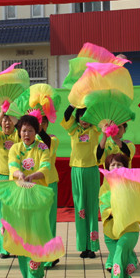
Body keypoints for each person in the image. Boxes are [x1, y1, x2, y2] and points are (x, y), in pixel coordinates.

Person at [8, 114, 52, 278]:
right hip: (20, 196)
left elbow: (46, 167)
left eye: (31, 131)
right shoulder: (15, 148)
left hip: (37, 196)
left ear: (36, 132)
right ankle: (27, 275)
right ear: (19, 131)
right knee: (22, 235)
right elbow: (12, 166)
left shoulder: (42, 147)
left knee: (35, 234)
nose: (26, 134)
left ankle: (34, 275)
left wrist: (33, 176)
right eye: (24, 130)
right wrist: (19, 174)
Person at [60, 105, 101, 259]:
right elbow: (66, 114)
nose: (84, 119)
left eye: (87, 116)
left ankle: (92, 246)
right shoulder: (73, 129)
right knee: (80, 208)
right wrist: (74, 103)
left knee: (92, 208)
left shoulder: (95, 130)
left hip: (92, 170)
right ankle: (83, 246)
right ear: (77, 118)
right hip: (77, 170)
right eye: (81, 116)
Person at [99, 153, 140, 278]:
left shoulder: (131, 184)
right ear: (108, 168)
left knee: (119, 255)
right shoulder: (104, 187)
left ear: (125, 167)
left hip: (128, 229)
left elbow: (134, 203)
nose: (116, 167)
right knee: (120, 258)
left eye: (119, 165)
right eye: (113, 165)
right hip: (110, 233)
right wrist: (111, 211)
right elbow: (103, 205)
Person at [0, 109, 20, 258]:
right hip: (0, 176)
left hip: (15, 177)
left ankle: (16, 246)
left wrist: (9, 111)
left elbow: (20, 125)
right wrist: (2, 112)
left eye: (9, 120)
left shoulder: (17, 135)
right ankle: (4, 248)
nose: (7, 123)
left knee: (15, 212)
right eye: (4, 120)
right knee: (2, 213)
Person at [39, 115, 60, 269]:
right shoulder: (29, 141)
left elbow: (47, 144)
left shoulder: (52, 138)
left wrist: (39, 130)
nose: (41, 125)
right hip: (34, 185)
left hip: (49, 182)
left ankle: (50, 255)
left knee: (49, 221)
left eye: (43, 122)